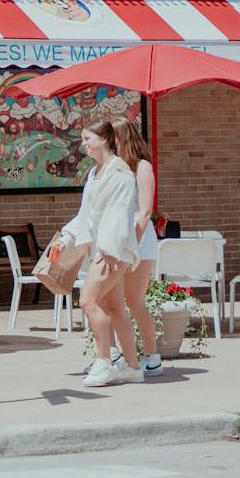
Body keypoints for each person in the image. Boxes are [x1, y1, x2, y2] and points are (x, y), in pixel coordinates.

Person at [50, 119, 143, 386]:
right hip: (101, 250)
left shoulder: (121, 174)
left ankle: (105, 362)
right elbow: (87, 215)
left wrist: (110, 250)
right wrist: (66, 238)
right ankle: (133, 368)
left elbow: (120, 213)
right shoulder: (95, 173)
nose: (84, 144)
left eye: (87, 139)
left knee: (88, 302)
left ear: (104, 139)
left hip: (112, 252)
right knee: (114, 307)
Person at [110, 117, 163, 379]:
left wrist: (131, 242)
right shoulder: (109, 168)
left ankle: (152, 357)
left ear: (121, 137)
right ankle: (110, 356)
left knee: (133, 300)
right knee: (107, 300)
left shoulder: (141, 167)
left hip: (137, 240)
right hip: (112, 238)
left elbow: (145, 211)